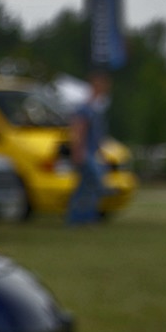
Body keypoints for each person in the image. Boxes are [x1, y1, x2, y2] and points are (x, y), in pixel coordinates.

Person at [66, 69, 112, 226]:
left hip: (92, 153)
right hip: (85, 154)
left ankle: (85, 218)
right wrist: (77, 151)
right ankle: (78, 218)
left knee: (87, 187)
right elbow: (78, 130)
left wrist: (101, 153)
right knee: (93, 185)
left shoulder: (95, 108)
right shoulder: (85, 108)